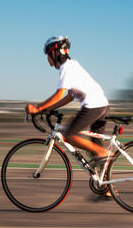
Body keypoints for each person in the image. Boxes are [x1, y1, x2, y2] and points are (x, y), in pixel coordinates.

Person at [25, 36, 112, 165]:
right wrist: (48, 108)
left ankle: (103, 153)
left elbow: (59, 94)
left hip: (93, 106)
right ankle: (105, 183)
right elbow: (69, 96)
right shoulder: (73, 66)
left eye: (48, 55)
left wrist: (38, 108)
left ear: (54, 53)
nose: (47, 59)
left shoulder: (67, 67)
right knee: (96, 154)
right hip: (102, 105)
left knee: (69, 135)